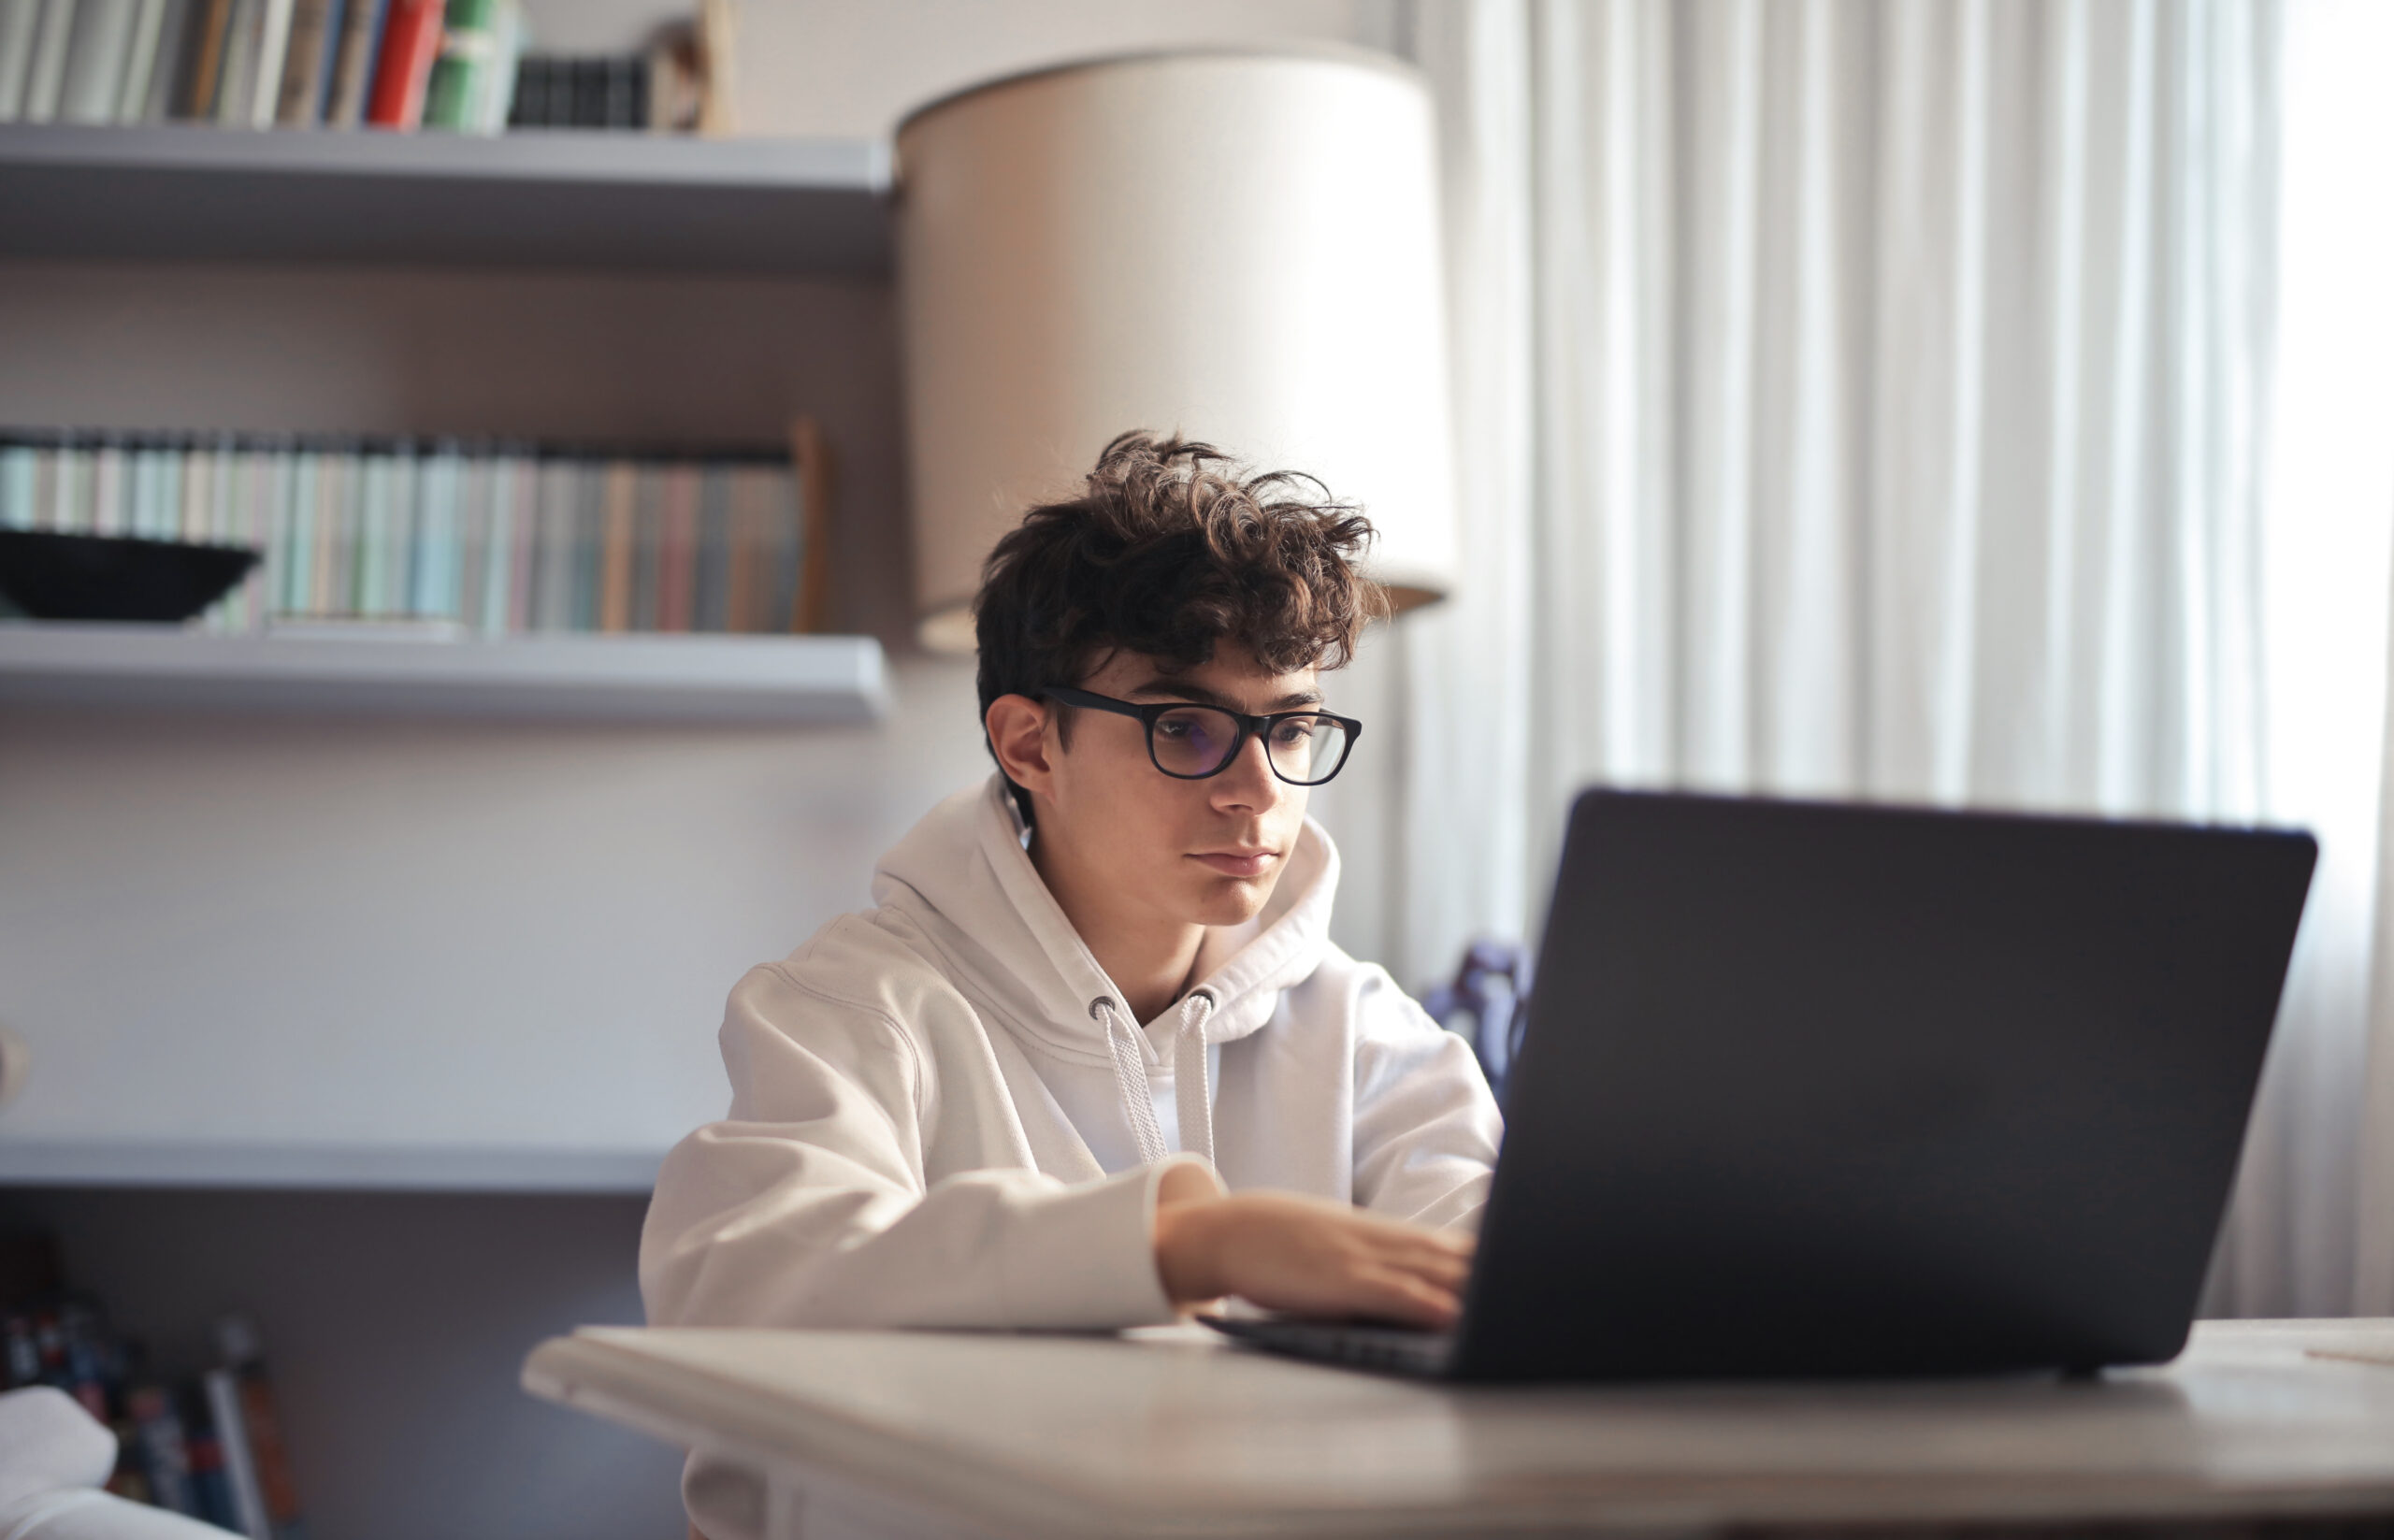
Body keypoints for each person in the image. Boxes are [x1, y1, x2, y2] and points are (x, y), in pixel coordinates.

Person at [641, 434, 1501, 1527]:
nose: (1257, 791)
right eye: (1187, 727)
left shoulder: (1371, 1033)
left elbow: (1504, 1291)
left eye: (1289, 728)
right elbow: (732, 1286)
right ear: (1029, 746)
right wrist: (1180, 1243)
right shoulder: (852, 1006)